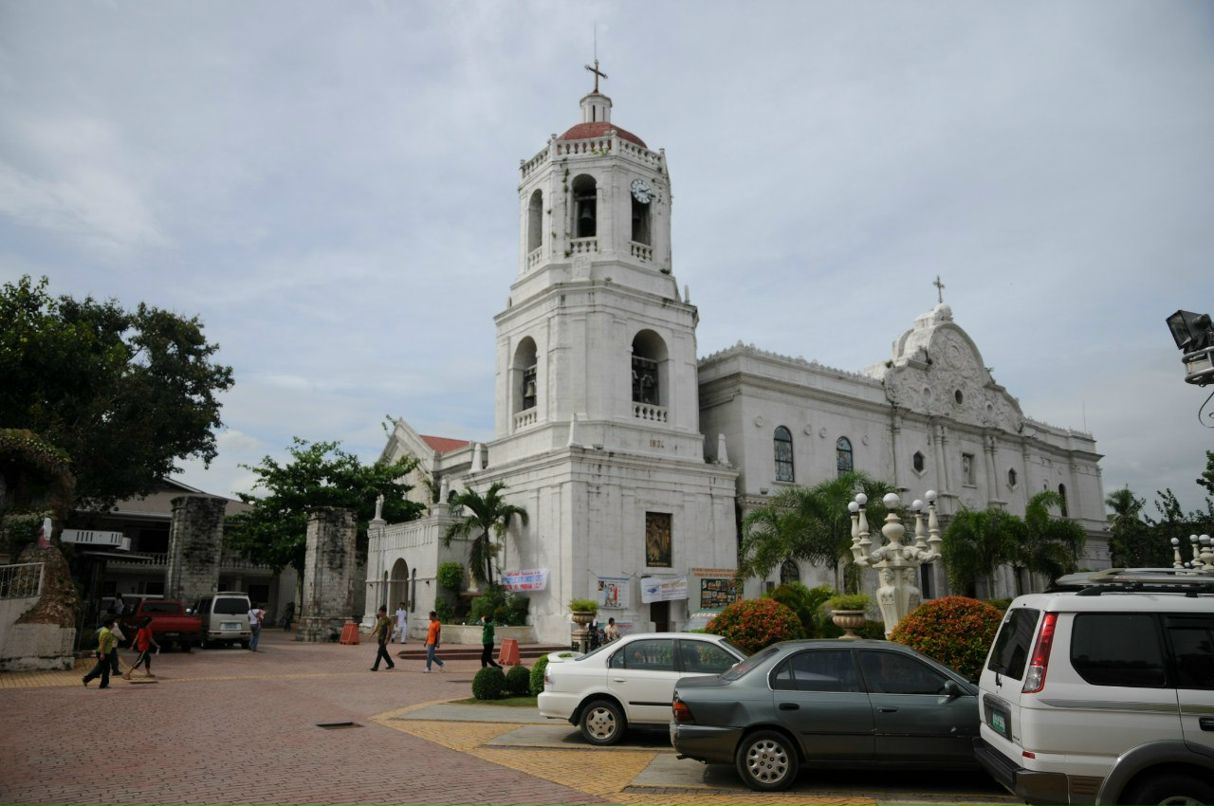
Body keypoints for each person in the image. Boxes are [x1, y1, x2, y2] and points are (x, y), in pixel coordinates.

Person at [83, 617, 118, 689]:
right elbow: (102, 643)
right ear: (109, 625)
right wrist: (102, 654)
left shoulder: (105, 630)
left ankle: (101, 683)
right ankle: (88, 679)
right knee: (102, 669)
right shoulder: (106, 632)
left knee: (103, 668)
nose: (114, 625)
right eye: (113, 624)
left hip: (104, 652)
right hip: (103, 653)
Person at [369, 605, 394, 671]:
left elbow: (389, 630)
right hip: (380, 638)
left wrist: (387, 639)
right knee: (384, 652)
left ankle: (375, 667)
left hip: (384, 638)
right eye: (379, 611)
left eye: (380, 611)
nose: (379, 613)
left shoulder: (387, 620)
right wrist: (372, 634)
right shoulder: (380, 619)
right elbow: (377, 627)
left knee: (380, 652)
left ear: (384, 612)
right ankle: (391, 664)